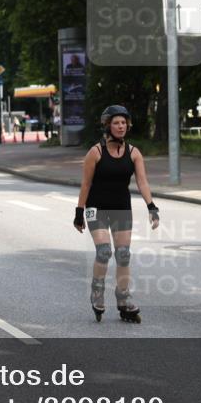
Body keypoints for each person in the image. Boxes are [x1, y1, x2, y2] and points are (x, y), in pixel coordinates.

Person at [74, 105, 159, 323]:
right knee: (104, 252)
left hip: (121, 208)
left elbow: (142, 182)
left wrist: (151, 207)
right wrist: (79, 212)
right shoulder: (96, 152)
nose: (121, 127)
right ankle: (97, 292)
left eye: (123, 123)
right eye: (116, 123)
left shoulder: (134, 153)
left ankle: (123, 297)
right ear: (108, 126)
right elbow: (86, 184)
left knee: (123, 254)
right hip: (97, 208)